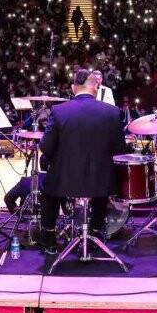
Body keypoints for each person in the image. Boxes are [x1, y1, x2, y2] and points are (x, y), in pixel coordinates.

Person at [38, 68, 127, 254]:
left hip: (65, 182)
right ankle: (94, 233)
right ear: (96, 87)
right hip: (101, 184)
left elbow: (46, 148)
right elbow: (119, 148)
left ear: (73, 88)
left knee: (48, 190)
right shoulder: (112, 112)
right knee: (102, 184)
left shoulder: (59, 111)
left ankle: (49, 238)